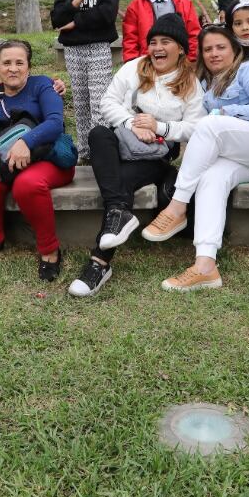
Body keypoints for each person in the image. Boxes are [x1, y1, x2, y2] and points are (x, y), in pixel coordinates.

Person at [141, 25, 249, 292]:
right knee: (212, 177)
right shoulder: (202, 83)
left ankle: (177, 208)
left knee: (210, 125)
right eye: (207, 49)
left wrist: (223, 112)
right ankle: (205, 266)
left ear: (235, 49)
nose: (213, 53)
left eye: (220, 47)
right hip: (244, 153)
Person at [67, 15, 205, 297]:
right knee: (98, 134)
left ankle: (99, 262)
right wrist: (133, 124)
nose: (157, 48)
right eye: (153, 42)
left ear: (180, 48)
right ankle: (119, 212)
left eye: (165, 42)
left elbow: (195, 127)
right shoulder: (134, 68)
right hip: (120, 145)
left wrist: (159, 127)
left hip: (154, 157)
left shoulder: (190, 83)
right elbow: (108, 102)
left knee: (121, 184)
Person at [0, 40, 76, 281]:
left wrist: (26, 142)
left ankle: (49, 249)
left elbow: (54, 122)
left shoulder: (43, 86)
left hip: (49, 158)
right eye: (6, 63)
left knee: (26, 185)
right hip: (9, 160)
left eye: (20, 62)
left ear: (29, 66)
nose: (13, 68)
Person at [51, 0, 119, 160]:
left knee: (100, 102)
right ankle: (84, 152)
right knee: (81, 102)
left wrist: (77, 22)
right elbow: (57, 19)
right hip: (73, 51)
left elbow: (107, 15)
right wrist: (77, 0)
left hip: (99, 48)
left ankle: (101, 150)